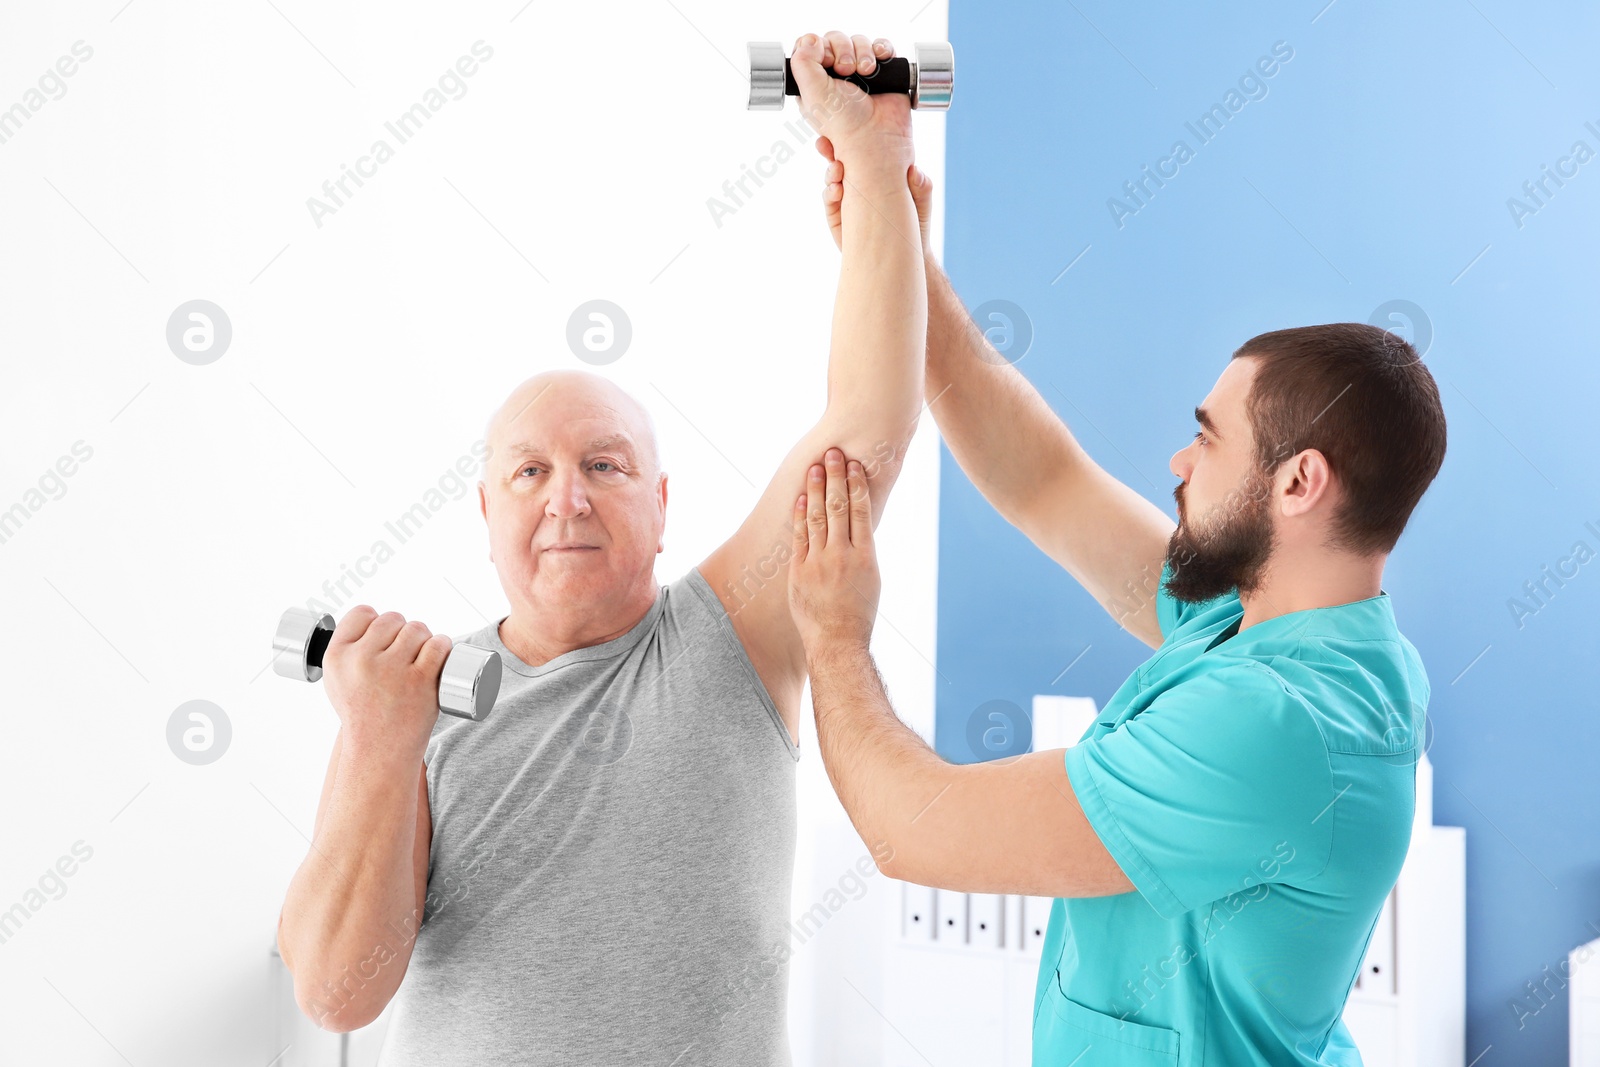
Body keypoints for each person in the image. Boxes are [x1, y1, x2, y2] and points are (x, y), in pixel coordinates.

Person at [273, 31, 928, 1066]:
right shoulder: (412, 698)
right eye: (528, 472)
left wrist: (878, 157)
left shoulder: (729, 639)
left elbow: (869, 419)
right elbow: (338, 990)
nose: (565, 498)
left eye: (605, 466)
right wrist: (376, 741)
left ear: (662, 506)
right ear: (485, 514)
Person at [787, 150, 1448, 1065]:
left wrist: (832, 633)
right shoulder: (1274, 616)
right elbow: (1045, 481)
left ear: (1299, 482)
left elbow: (911, 829)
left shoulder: (1280, 726)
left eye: (1209, 440)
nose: (1179, 461)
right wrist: (904, 259)